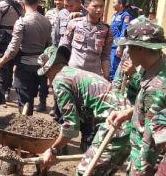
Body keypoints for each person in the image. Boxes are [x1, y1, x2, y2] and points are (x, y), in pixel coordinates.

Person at [38, 46, 131, 175]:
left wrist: (53, 149)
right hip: (129, 121)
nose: (48, 78)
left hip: (116, 123)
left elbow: (71, 127)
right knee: (104, 172)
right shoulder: (74, 73)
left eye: (47, 73)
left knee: (84, 171)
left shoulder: (59, 81)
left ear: (51, 68)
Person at [106, 16, 166, 175]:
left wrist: (139, 171)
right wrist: (129, 112)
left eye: (129, 47)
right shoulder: (156, 66)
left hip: (145, 160)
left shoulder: (156, 87)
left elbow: (149, 144)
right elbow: (150, 111)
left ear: (141, 48)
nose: (126, 51)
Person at [0, 0, 52, 114]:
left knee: (23, 99)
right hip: (39, 65)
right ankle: (27, 121)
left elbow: (13, 48)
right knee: (30, 98)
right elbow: (49, 45)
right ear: (38, 3)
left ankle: (24, 124)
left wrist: (1, 61)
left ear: (23, 3)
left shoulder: (22, 22)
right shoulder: (46, 21)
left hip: (24, 65)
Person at [59, 0, 113, 79]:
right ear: (86, 6)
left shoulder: (107, 30)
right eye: (95, 6)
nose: (99, 10)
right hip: (73, 73)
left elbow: (105, 55)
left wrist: (106, 76)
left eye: (101, 6)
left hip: (93, 76)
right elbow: (64, 47)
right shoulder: (74, 24)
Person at [0, 0, 23, 100]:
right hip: (16, 36)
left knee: (4, 64)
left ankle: (2, 90)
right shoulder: (19, 4)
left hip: (4, 37)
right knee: (11, 63)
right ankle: (8, 88)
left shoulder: (1, 4)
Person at [109, 0, 131, 81]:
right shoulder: (114, 15)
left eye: (114, 3)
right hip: (110, 44)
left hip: (116, 46)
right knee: (109, 66)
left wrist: (120, 46)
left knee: (113, 67)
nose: (113, 5)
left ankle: (112, 85)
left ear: (121, 4)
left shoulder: (125, 16)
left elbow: (124, 31)